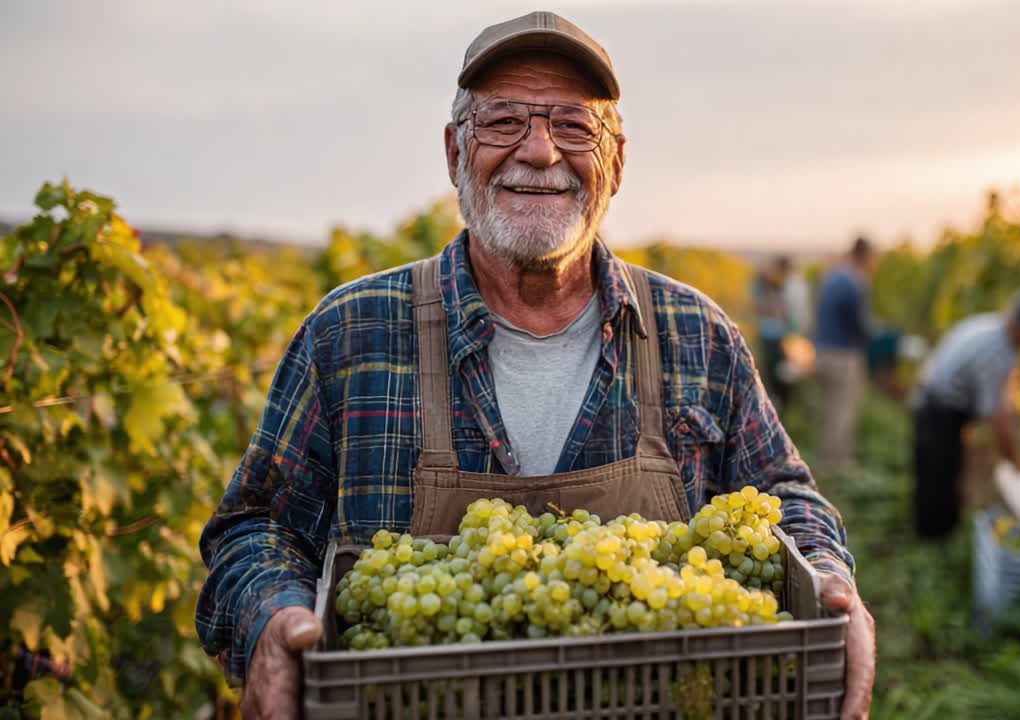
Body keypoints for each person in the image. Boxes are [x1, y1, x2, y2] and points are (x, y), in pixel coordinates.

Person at [195, 12, 874, 719]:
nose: (541, 152)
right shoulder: (350, 333)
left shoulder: (698, 335)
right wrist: (270, 615)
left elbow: (785, 496)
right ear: (456, 152)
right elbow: (256, 525)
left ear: (617, 161)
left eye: (574, 127)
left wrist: (826, 575)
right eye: (504, 121)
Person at [910, 288, 1020, 539]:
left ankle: (928, 537)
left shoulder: (988, 324)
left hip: (931, 400)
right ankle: (935, 542)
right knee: (941, 482)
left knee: (932, 475)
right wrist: (1017, 460)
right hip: (940, 411)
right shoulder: (999, 353)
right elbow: (996, 415)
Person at [812, 236, 876, 474]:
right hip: (843, 356)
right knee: (843, 412)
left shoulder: (832, 276)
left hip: (822, 352)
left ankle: (823, 465)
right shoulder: (856, 282)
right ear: (866, 256)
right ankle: (836, 470)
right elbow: (860, 326)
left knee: (828, 410)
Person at [752, 255, 792, 410]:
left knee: (779, 371)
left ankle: (780, 403)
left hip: (779, 335)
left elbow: (784, 313)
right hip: (768, 334)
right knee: (769, 370)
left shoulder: (780, 288)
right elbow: (759, 308)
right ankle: (770, 403)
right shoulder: (761, 287)